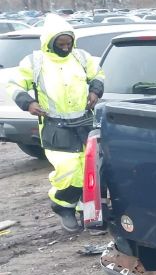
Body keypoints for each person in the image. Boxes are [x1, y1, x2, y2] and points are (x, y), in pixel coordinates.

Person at [7, 14, 105, 232]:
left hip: (83, 123)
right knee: (68, 170)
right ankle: (61, 205)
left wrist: (95, 91)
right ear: (50, 42)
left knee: (89, 170)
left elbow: (98, 73)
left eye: (69, 43)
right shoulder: (35, 62)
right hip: (55, 126)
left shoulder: (80, 57)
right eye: (61, 44)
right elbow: (14, 85)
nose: (66, 47)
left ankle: (87, 212)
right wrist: (29, 103)